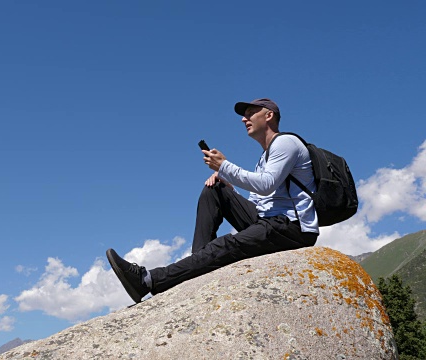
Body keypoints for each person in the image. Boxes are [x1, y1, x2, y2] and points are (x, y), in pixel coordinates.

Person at [107, 98, 319, 304]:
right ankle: (198, 263)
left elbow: (266, 184)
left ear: (269, 115)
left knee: (227, 244)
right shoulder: (265, 156)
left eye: (250, 113)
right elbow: (261, 198)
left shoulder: (285, 143)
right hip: (269, 220)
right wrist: (228, 185)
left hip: (292, 228)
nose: (244, 119)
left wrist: (224, 166)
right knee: (214, 189)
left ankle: (147, 280)